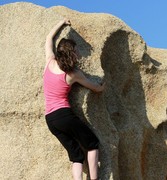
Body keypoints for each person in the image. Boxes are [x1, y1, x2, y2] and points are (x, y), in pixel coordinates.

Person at [43, 18, 105, 180]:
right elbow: (95, 88)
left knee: (76, 156)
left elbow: (49, 38)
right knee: (92, 145)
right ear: (72, 53)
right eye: (76, 51)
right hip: (64, 115)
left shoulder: (49, 62)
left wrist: (61, 22)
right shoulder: (73, 73)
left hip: (50, 120)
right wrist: (103, 86)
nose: (78, 54)